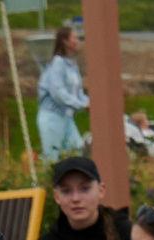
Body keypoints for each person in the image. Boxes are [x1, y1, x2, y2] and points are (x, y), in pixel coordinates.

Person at [34, 154, 131, 240]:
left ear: (101, 190)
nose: (76, 198)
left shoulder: (124, 234)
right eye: (66, 191)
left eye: (84, 189)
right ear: (56, 196)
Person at [37, 24, 91, 154]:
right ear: (65, 42)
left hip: (67, 117)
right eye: (74, 38)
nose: (77, 41)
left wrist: (89, 102)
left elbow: (78, 93)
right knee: (52, 156)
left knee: (77, 152)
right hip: (52, 116)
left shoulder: (72, 65)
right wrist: (81, 104)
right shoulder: (57, 63)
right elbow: (57, 93)